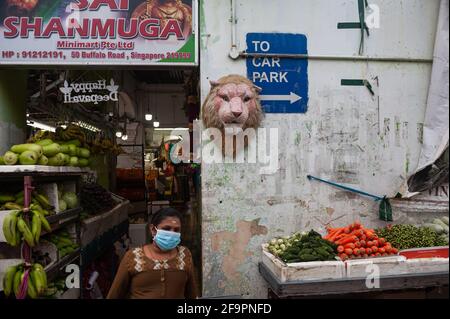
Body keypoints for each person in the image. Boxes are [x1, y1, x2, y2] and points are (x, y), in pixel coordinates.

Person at [107, 208, 198, 299]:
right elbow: (115, 294)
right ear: (153, 230)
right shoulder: (133, 256)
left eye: (176, 230)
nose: (171, 233)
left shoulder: (184, 254)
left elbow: (192, 294)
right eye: (166, 228)